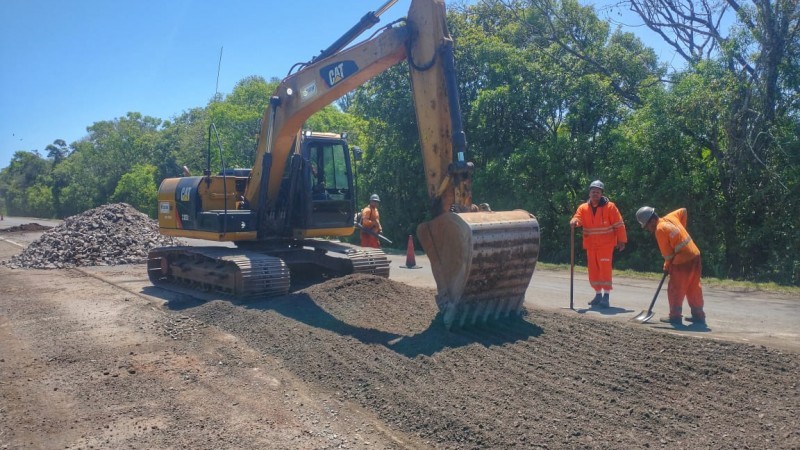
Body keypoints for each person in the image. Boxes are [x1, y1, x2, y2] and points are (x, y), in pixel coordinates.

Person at [636, 206, 706, 325]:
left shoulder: (660, 230)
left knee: (675, 289)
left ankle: (675, 317)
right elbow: (684, 210)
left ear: (652, 221)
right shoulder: (671, 217)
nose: (648, 229)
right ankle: (698, 315)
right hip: (695, 255)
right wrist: (680, 231)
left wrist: (666, 266)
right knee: (693, 287)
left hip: (682, 261)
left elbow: (668, 255)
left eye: (647, 225)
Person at [570, 180, 627, 308]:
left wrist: (621, 240)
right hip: (591, 245)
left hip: (605, 245)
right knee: (593, 270)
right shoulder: (583, 208)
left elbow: (619, 224)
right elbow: (578, 217)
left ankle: (606, 296)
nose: (595, 194)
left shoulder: (610, 207)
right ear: (589, 193)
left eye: (598, 192)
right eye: (593, 191)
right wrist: (574, 221)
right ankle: (597, 294)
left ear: (601, 194)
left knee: (604, 269)